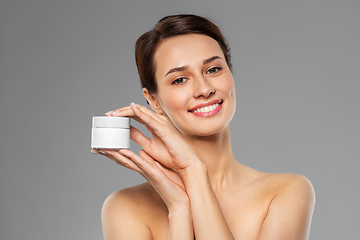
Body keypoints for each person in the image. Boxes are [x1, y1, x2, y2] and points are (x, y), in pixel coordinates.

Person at [91, 14, 315, 240]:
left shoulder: (286, 192)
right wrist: (179, 208)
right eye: (179, 79)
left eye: (213, 69)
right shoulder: (126, 208)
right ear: (153, 100)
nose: (204, 88)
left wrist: (194, 173)